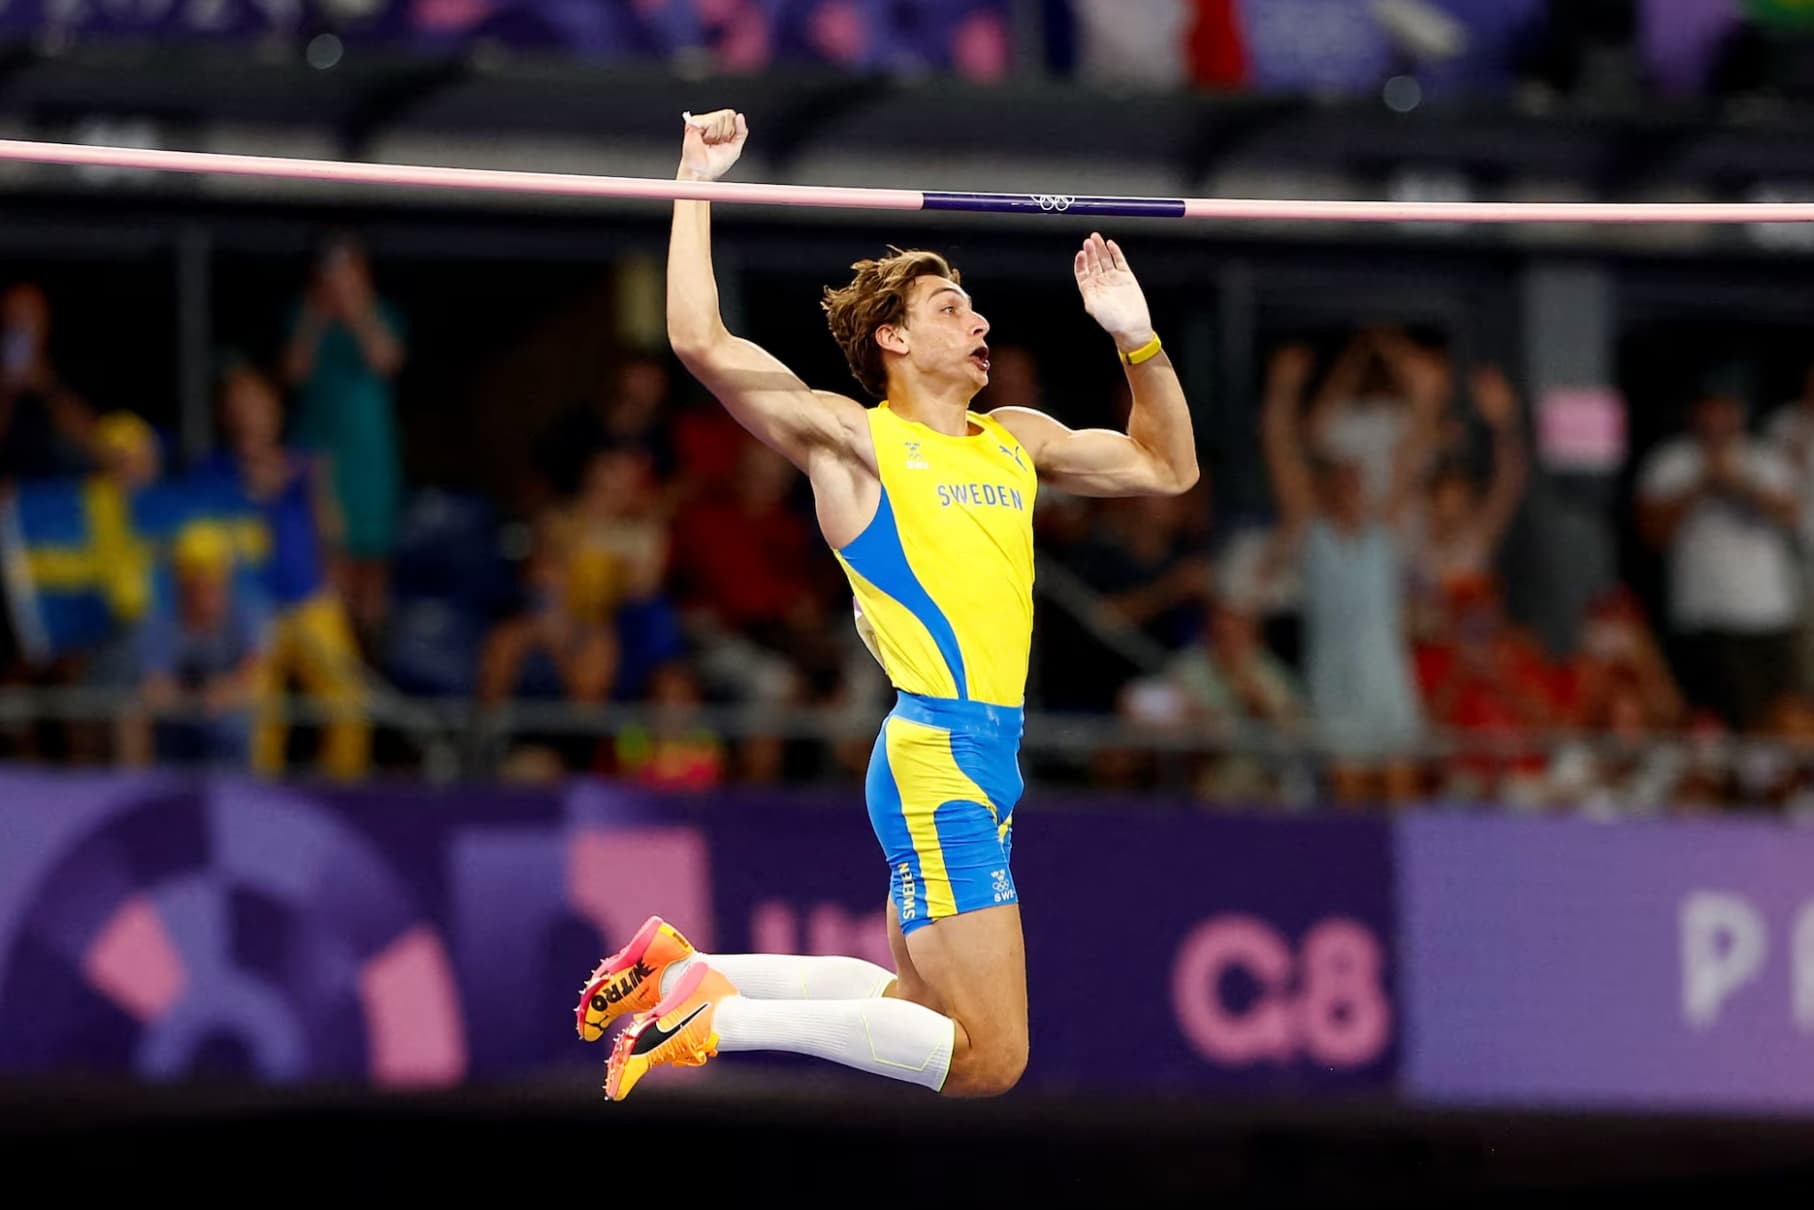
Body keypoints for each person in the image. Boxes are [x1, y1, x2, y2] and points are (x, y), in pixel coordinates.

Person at [573, 108, 1199, 1101]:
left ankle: (686, 975)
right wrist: (695, 178)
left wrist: (1136, 340)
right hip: (936, 757)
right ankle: (711, 1019)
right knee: (990, 1057)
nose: (980, 321)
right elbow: (698, 338)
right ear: (895, 338)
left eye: (973, 307)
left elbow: (1168, 467)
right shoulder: (852, 443)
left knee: (916, 1003)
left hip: (981, 759)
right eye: (952, 307)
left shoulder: (1016, 438)